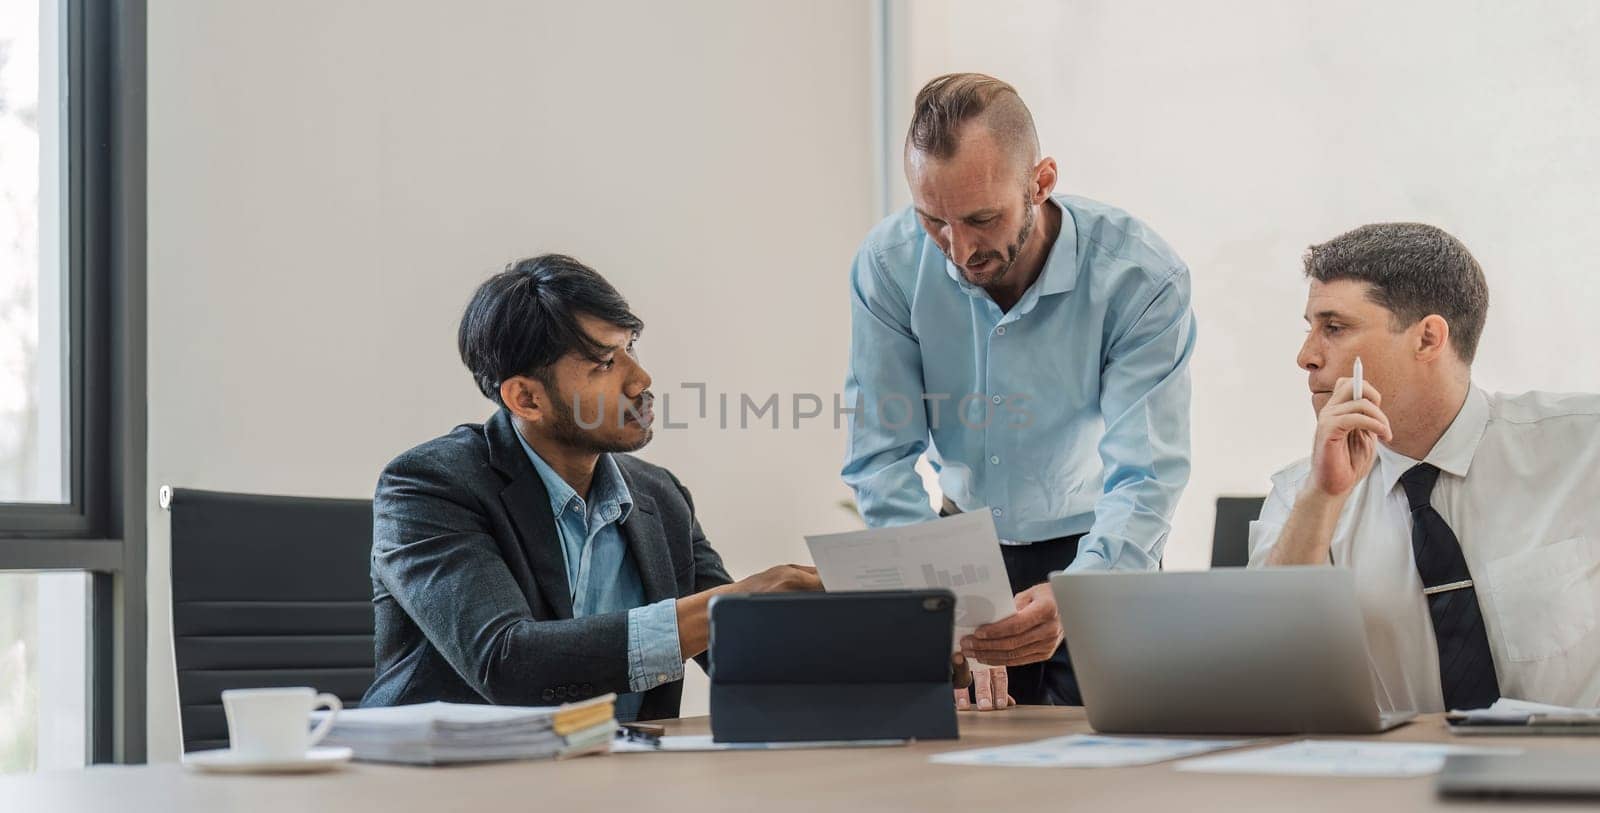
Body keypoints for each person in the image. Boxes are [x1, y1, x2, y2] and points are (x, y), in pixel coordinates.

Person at [842, 73, 1197, 710]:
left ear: (1041, 181)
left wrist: (1086, 592)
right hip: (953, 550)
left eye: (982, 219)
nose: (958, 251)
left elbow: (1146, 473)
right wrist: (931, 592)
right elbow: (880, 454)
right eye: (933, 221)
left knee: (1105, 770)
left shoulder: (1140, 276)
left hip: (1098, 548)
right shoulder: (889, 264)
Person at [363, 254, 820, 721]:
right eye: (604, 362)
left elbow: (743, 655)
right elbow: (507, 661)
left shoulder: (660, 496)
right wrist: (725, 606)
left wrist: (860, 620)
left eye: (631, 348)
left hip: (614, 776)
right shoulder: (429, 485)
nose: (640, 379)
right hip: (446, 781)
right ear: (526, 398)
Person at [1249, 222, 1600, 712]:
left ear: (1429, 339)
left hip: (1571, 775)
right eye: (1309, 328)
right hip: (1394, 780)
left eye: (1333, 327)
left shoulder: (1587, 446)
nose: (1306, 357)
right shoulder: (1300, 495)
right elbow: (1265, 675)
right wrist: (1322, 499)